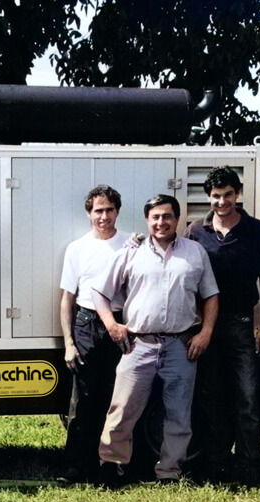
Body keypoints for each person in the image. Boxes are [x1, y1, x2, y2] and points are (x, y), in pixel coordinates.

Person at [94, 194, 219, 486]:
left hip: (181, 345)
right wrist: (112, 325)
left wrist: (206, 333)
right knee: (123, 409)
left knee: (178, 413)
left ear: (177, 219)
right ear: (147, 220)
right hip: (139, 344)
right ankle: (111, 467)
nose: (161, 222)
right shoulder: (131, 252)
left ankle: (169, 473)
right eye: (156, 217)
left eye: (167, 216)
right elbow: (100, 293)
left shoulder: (194, 252)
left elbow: (211, 295)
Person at [186, 167, 260, 485]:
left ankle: (250, 469)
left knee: (247, 399)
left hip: (241, 323)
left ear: (238, 195)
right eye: (216, 196)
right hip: (206, 325)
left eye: (228, 195)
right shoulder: (196, 232)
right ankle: (216, 466)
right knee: (213, 399)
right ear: (209, 197)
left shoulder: (256, 230)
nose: (222, 201)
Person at [58, 185, 129, 485]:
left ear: (117, 211)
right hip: (86, 324)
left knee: (119, 398)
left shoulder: (131, 244)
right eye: (98, 211)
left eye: (109, 210)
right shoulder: (77, 248)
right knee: (84, 399)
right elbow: (66, 299)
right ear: (89, 213)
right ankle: (77, 467)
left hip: (120, 323)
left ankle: (110, 466)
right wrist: (69, 344)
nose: (104, 216)